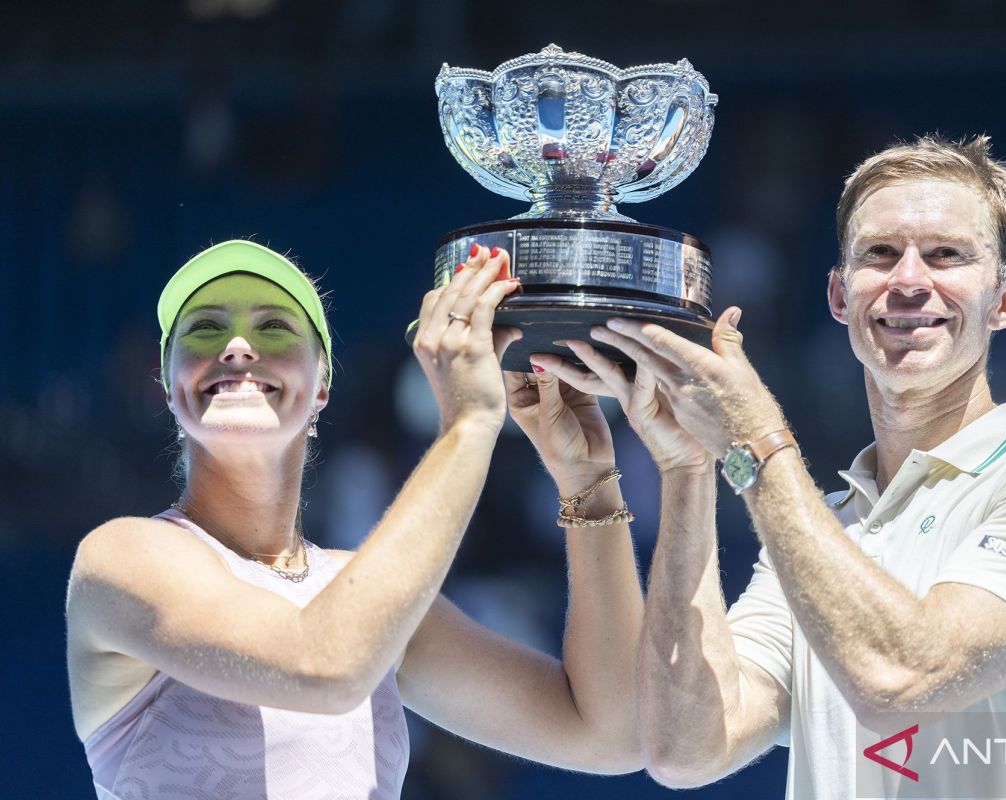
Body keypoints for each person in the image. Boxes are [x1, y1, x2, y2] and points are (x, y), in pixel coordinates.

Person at [531, 134, 1006, 798]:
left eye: (946, 255)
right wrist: (687, 468)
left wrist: (754, 437)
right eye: (879, 255)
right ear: (839, 296)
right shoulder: (820, 536)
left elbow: (901, 679)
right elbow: (687, 747)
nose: (910, 280)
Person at [66, 239, 644, 798]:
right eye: (205, 328)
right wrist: (468, 424)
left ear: (322, 387)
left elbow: (608, 735)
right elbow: (324, 668)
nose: (238, 346)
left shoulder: (376, 602)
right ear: (169, 387)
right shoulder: (123, 558)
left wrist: (584, 478)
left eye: (273, 327)